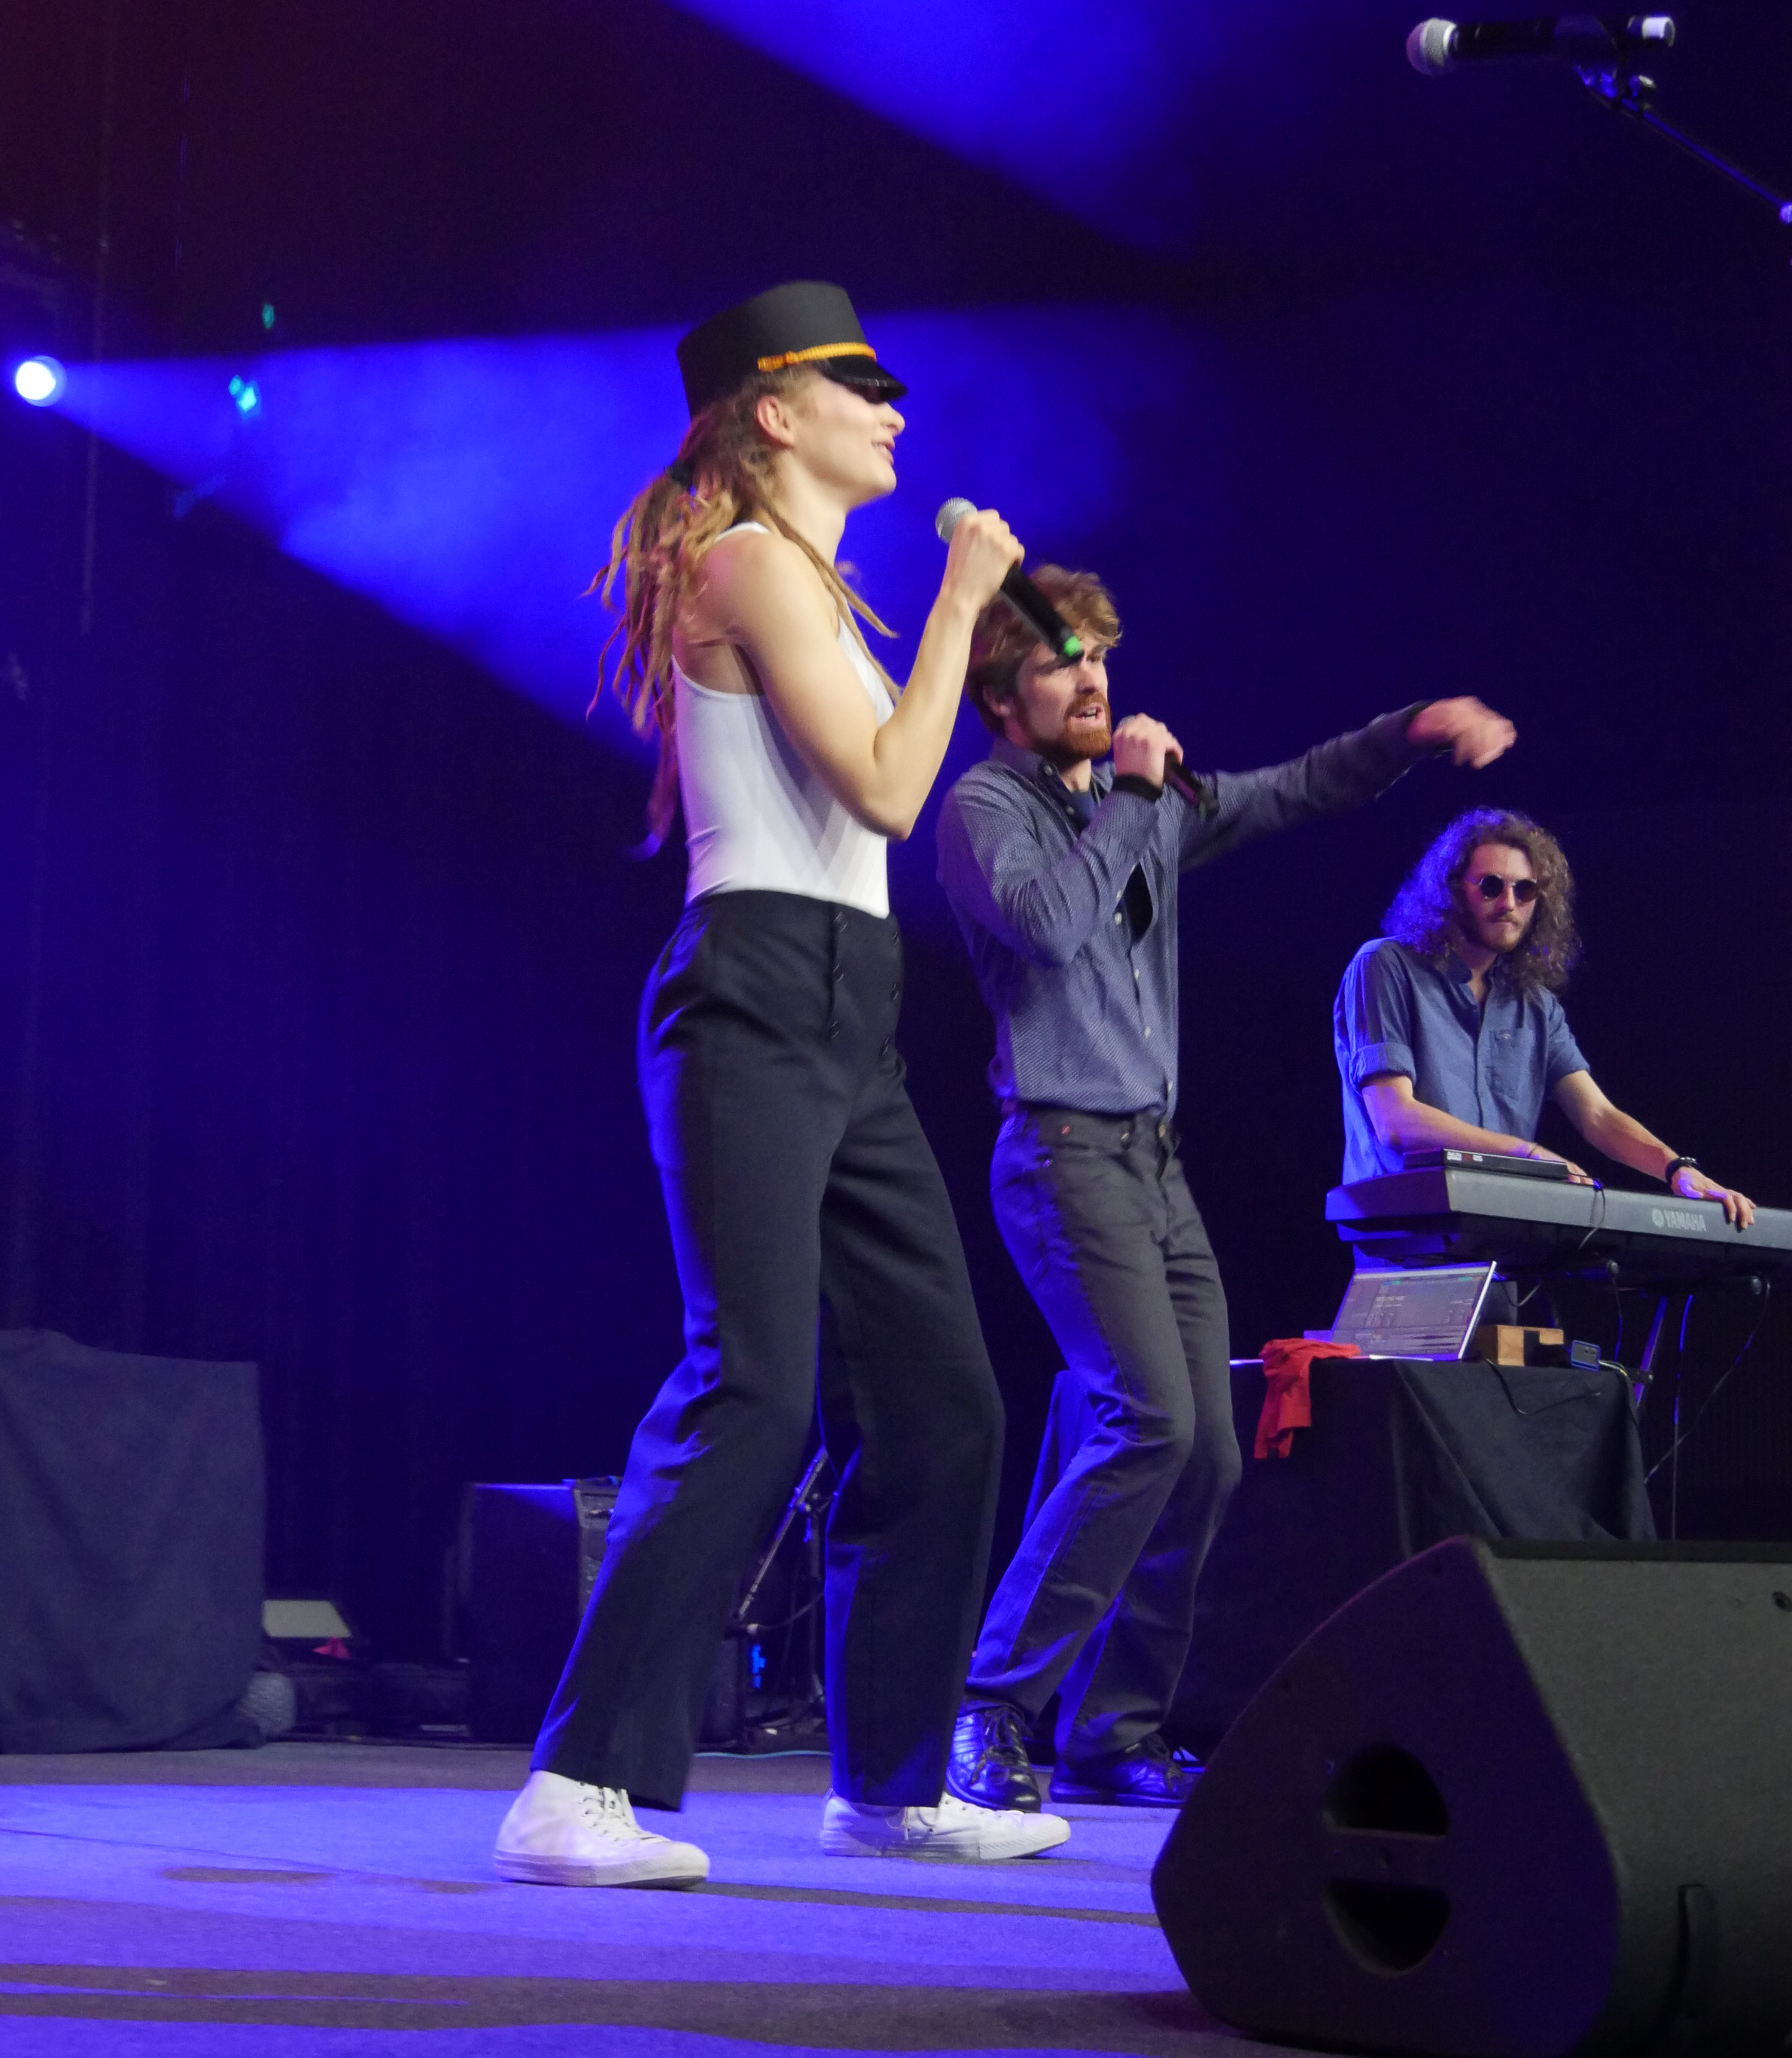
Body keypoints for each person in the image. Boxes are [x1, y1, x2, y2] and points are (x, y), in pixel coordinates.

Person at [493, 282, 1070, 1889]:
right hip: (752, 985)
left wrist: (946, 621)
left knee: (941, 1399)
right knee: (750, 1384)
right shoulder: (745, 561)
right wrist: (963, 602)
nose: (894, 409)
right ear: (771, 408)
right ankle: (570, 1784)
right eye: (859, 384)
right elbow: (887, 790)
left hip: (847, 1002)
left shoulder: (808, 585)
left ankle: (887, 1782)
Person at [936, 564, 1517, 1813]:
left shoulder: (1140, 802)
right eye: (1057, 666)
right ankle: (991, 1703)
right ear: (1000, 699)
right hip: (1059, 1151)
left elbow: (1294, 787)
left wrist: (1411, 730)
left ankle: (1112, 1728)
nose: (1092, 681)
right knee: (1145, 1419)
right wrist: (1132, 797)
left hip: (1153, 1162)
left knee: (1206, 1449)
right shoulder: (984, 809)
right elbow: (1048, 926)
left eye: (1098, 657)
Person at [1334, 809, 1755, 1231]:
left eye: (1525, 890)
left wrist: (1677, 1169)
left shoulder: (1534, 1003)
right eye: (1492, 886)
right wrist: (1528, 1154)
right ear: (1453, 890)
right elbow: (1395, 1121)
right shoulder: (1385, 965)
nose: (1509, 904)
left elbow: (1597, 1116)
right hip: (1407, 1232)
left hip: (1504, 1228)